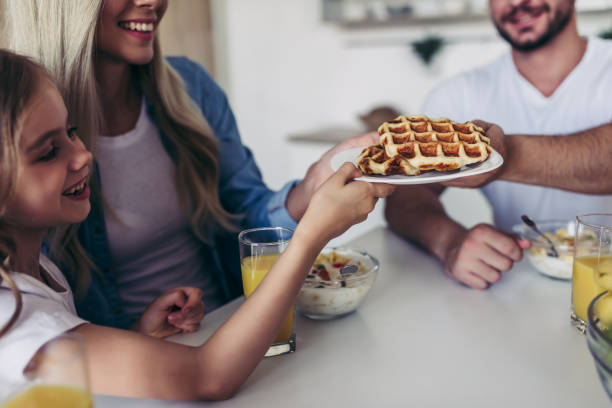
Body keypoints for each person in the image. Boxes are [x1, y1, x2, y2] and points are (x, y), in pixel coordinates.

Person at [0, 49, 394, 400]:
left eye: (72, 133)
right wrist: (312, 234)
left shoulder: (35, 269)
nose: (84, 155)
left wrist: (139, 336)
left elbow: (77, 370)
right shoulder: (14, 317)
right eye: (50, 151)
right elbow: (206, 377)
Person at [1, 0, 379, 328]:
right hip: (139, 363)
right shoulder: (26, 144)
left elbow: (246, 226)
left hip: (232, 326)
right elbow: (52, 325)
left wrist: (313, 185)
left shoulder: (191, 87)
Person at [385, 0, 612, 289]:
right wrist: (449, 241)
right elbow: (405, 195)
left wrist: (500, 156)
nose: (517, 3)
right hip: (512, 288)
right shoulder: (459, 94)